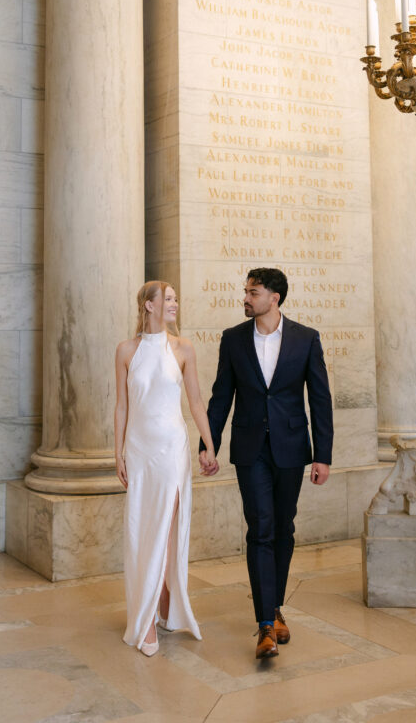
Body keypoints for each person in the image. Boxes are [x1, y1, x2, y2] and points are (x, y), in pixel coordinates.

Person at [200, 267, 333, 659]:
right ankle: (264, 627)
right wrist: (208, 445)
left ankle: (274, 608)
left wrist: (322, 454)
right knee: (260, 527)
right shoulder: (233, 339)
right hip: (250, 448)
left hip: (292, 447)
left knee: (283, 528)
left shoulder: (306, 339)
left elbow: (320, 399)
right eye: (245, 291)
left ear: (274, 297)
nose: (246, 298)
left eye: (253, 292)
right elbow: (220, 397)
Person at [115, 281, 217, 656]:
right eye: (168, 298)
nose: (174, 303)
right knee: (142, 528)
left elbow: (195, 402)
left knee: (166, 529)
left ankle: (153, 619)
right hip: (140, 451)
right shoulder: (127, 350)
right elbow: (122, 406)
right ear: (148, 305)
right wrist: (118, 453)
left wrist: (207, 444)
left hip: (173, 449)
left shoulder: (184, 348)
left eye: (176, 298)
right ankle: (160, 603)